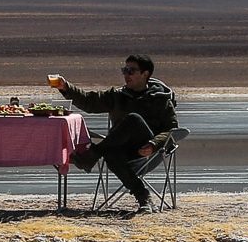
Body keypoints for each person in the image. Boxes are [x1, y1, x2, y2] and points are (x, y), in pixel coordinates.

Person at [51, 54, 177, 211]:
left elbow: (171, 129)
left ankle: (92, 154)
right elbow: (89, 102)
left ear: (145, 74)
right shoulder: (117, 96)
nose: (126, 74)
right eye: (124, 70)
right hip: (121, 148)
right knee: (111, 154)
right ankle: (144, 197)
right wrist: (66, 88)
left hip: (147, 150)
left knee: (133, 119)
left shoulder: (161, 99)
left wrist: (154, 144)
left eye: (131, 71)